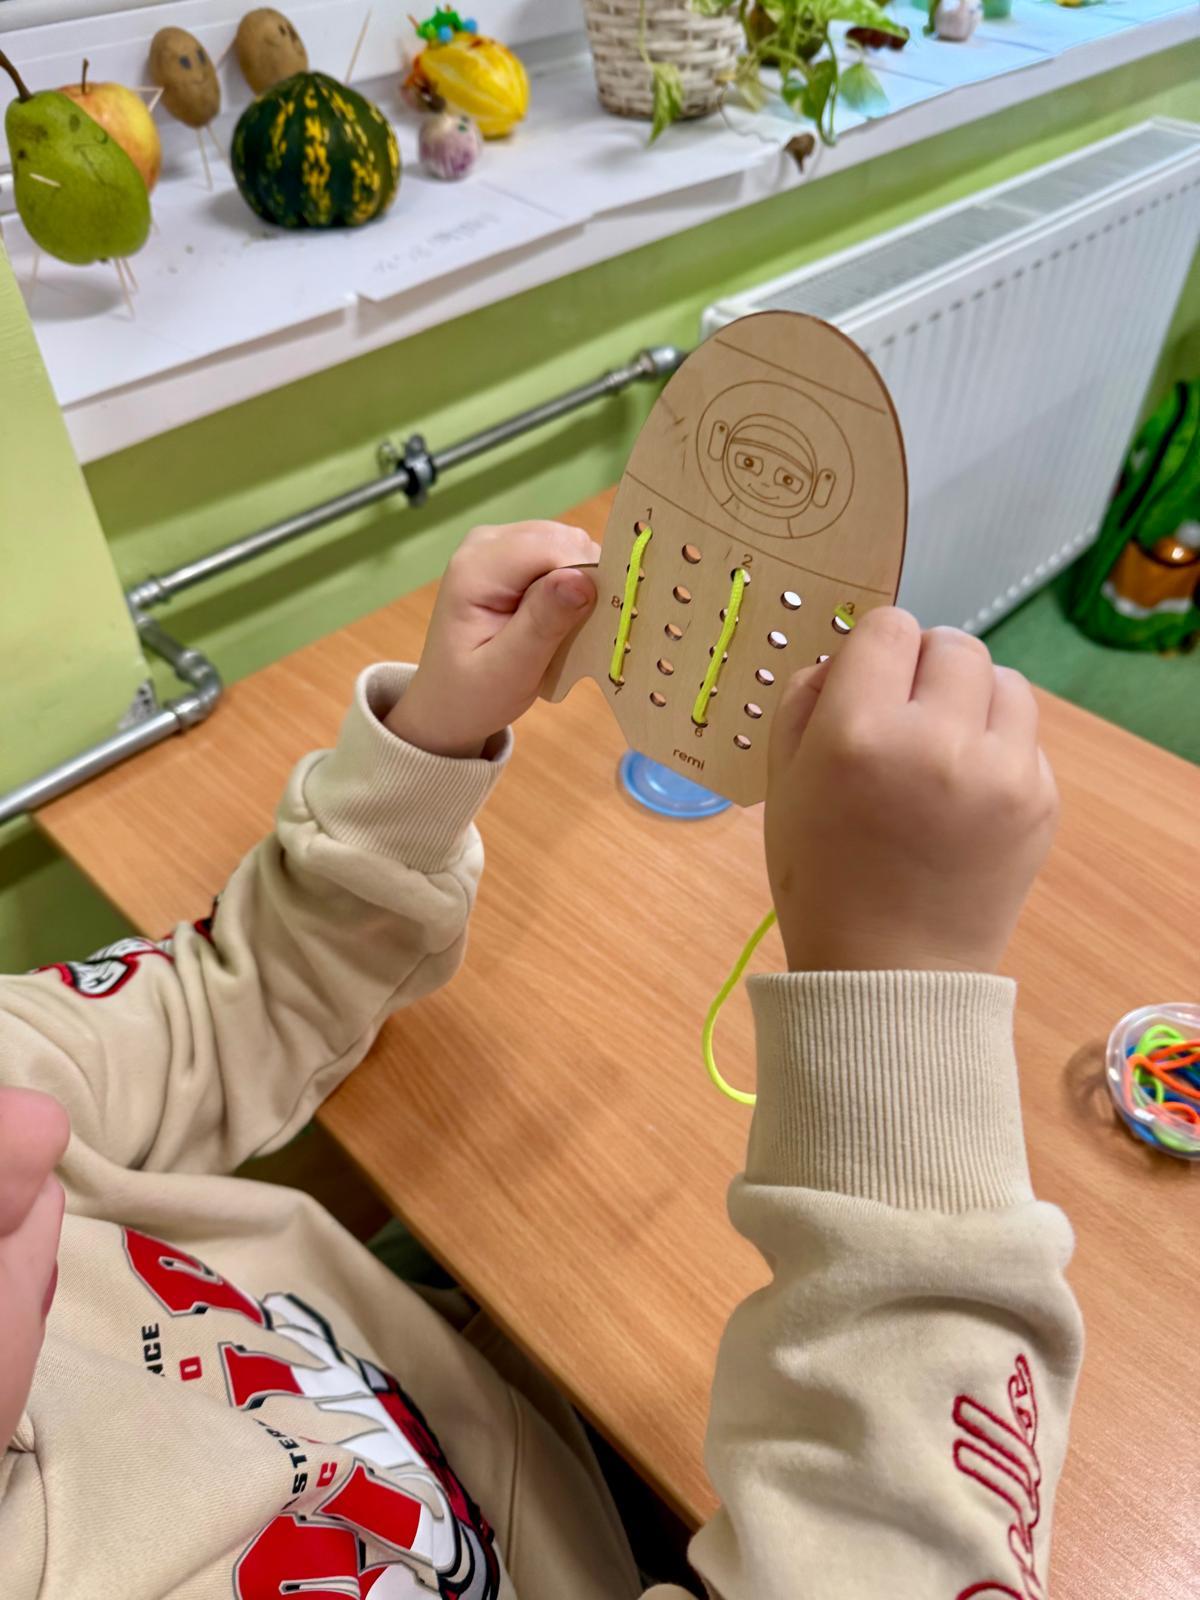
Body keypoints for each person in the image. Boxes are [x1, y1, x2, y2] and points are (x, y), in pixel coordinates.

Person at [0, 520, 1081, 1599]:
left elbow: (222, 1006)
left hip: (473, 1399)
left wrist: (425, 750)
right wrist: (900, 1002)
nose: (30, 1131)